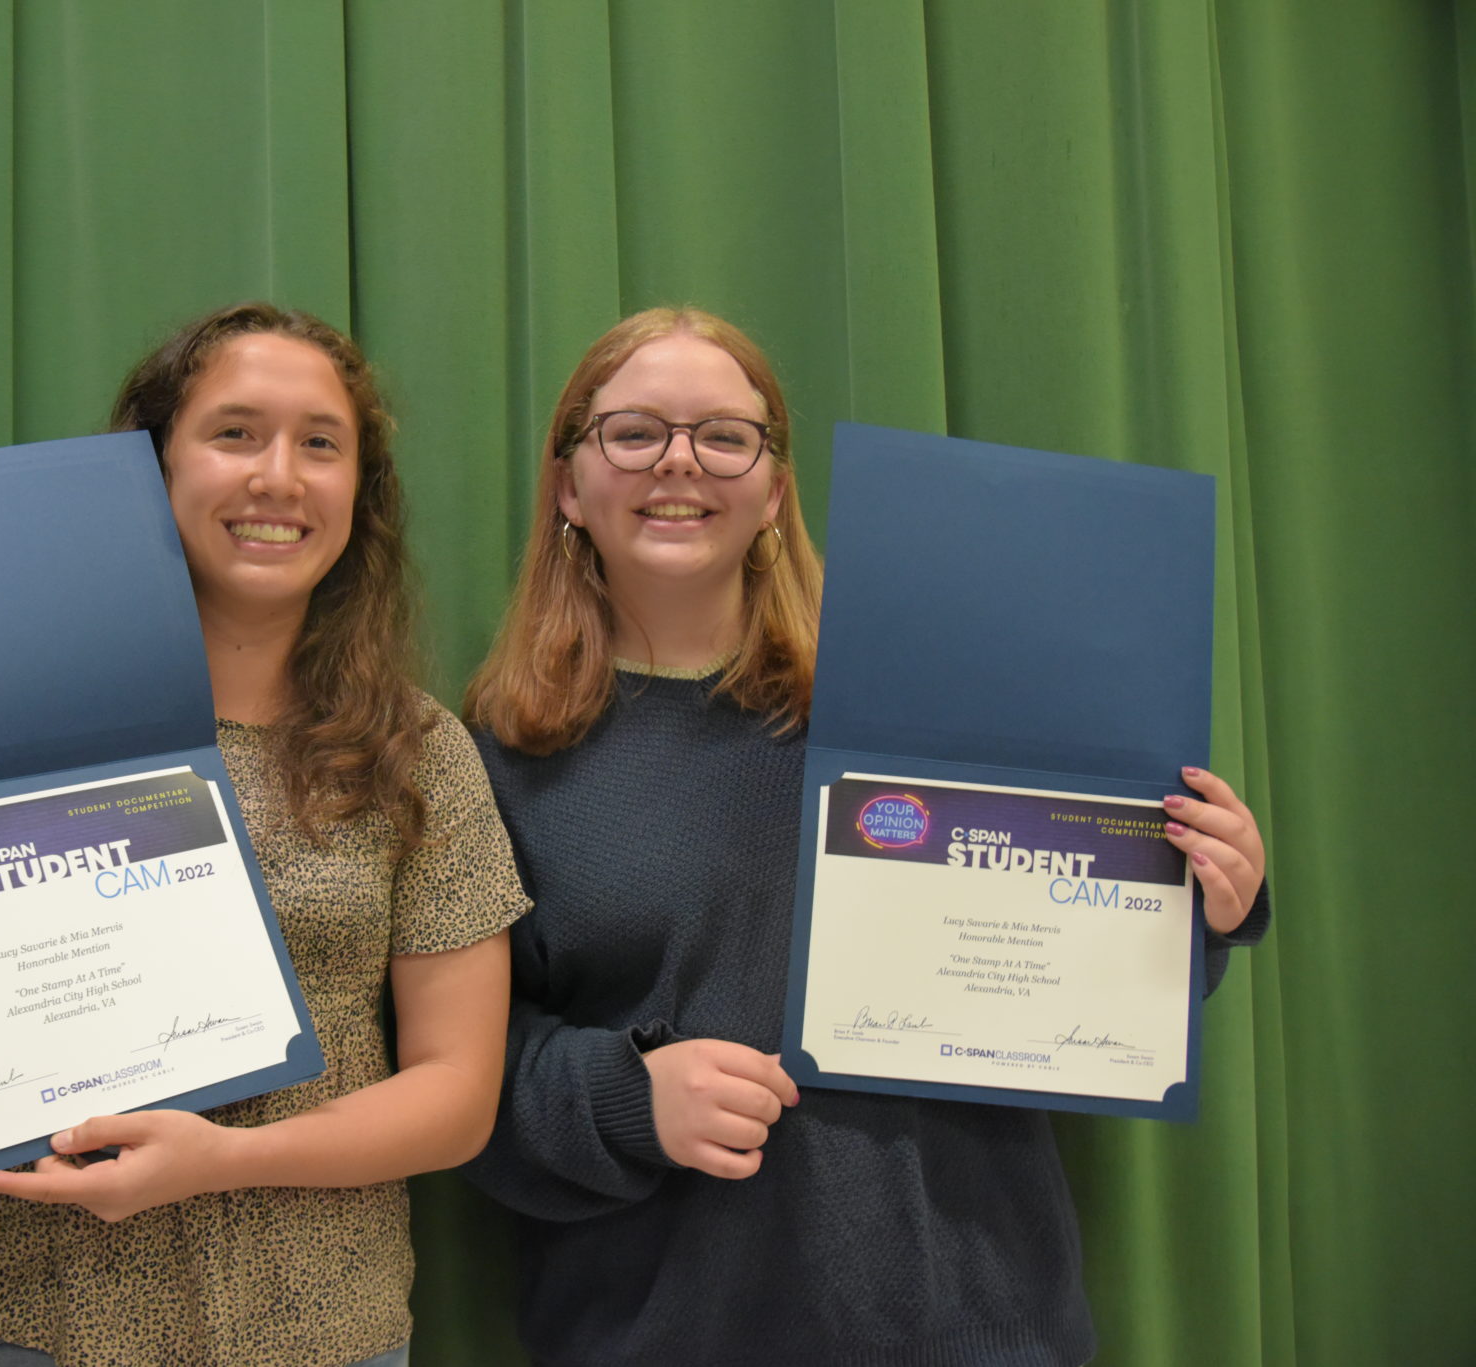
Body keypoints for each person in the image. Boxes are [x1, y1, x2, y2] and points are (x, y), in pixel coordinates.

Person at [0, 302, 530, 1367]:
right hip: (28, 1317)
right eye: (233, 432)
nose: (277, 475)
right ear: (151, 463)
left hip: (319, 1327)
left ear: (359, 492)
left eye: (320, 442)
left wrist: (220, 1158)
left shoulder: (417, 750)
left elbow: (455, 1096)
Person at [461, 307, 1271, 1366]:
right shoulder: (492, 759)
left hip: (968, 1321)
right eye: (632, 431)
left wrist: (1199, 901)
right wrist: (628, 1097)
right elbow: (462, 1070)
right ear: (568, 483)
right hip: (662, 1328)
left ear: (772, 490)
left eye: (723, 434)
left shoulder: (922, 707)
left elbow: (1065, 982)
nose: (678, 461)